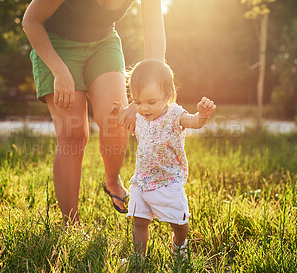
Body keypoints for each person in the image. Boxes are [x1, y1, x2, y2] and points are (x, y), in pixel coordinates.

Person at [22, 0, 166, 224]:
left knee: (116, 120)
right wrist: (59, 71)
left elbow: (155, 34)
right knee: (73, 134)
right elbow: (31, 21)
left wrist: (141, 97)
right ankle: (71, 223)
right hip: (56, 44)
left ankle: (111, 180)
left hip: (103, 42)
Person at [110, 59, 216, 258]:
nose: (144, 108)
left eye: (151, 102)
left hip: (168, 181)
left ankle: (179, 244)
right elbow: (134, 128)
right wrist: (119, 115)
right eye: (138, 102)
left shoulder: (175, 114)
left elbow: (194, 122)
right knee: (140, 221)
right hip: (142, 181)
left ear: (168, 95)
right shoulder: (141, 116)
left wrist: (202, 115)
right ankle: (138, 257)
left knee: (179, 223)